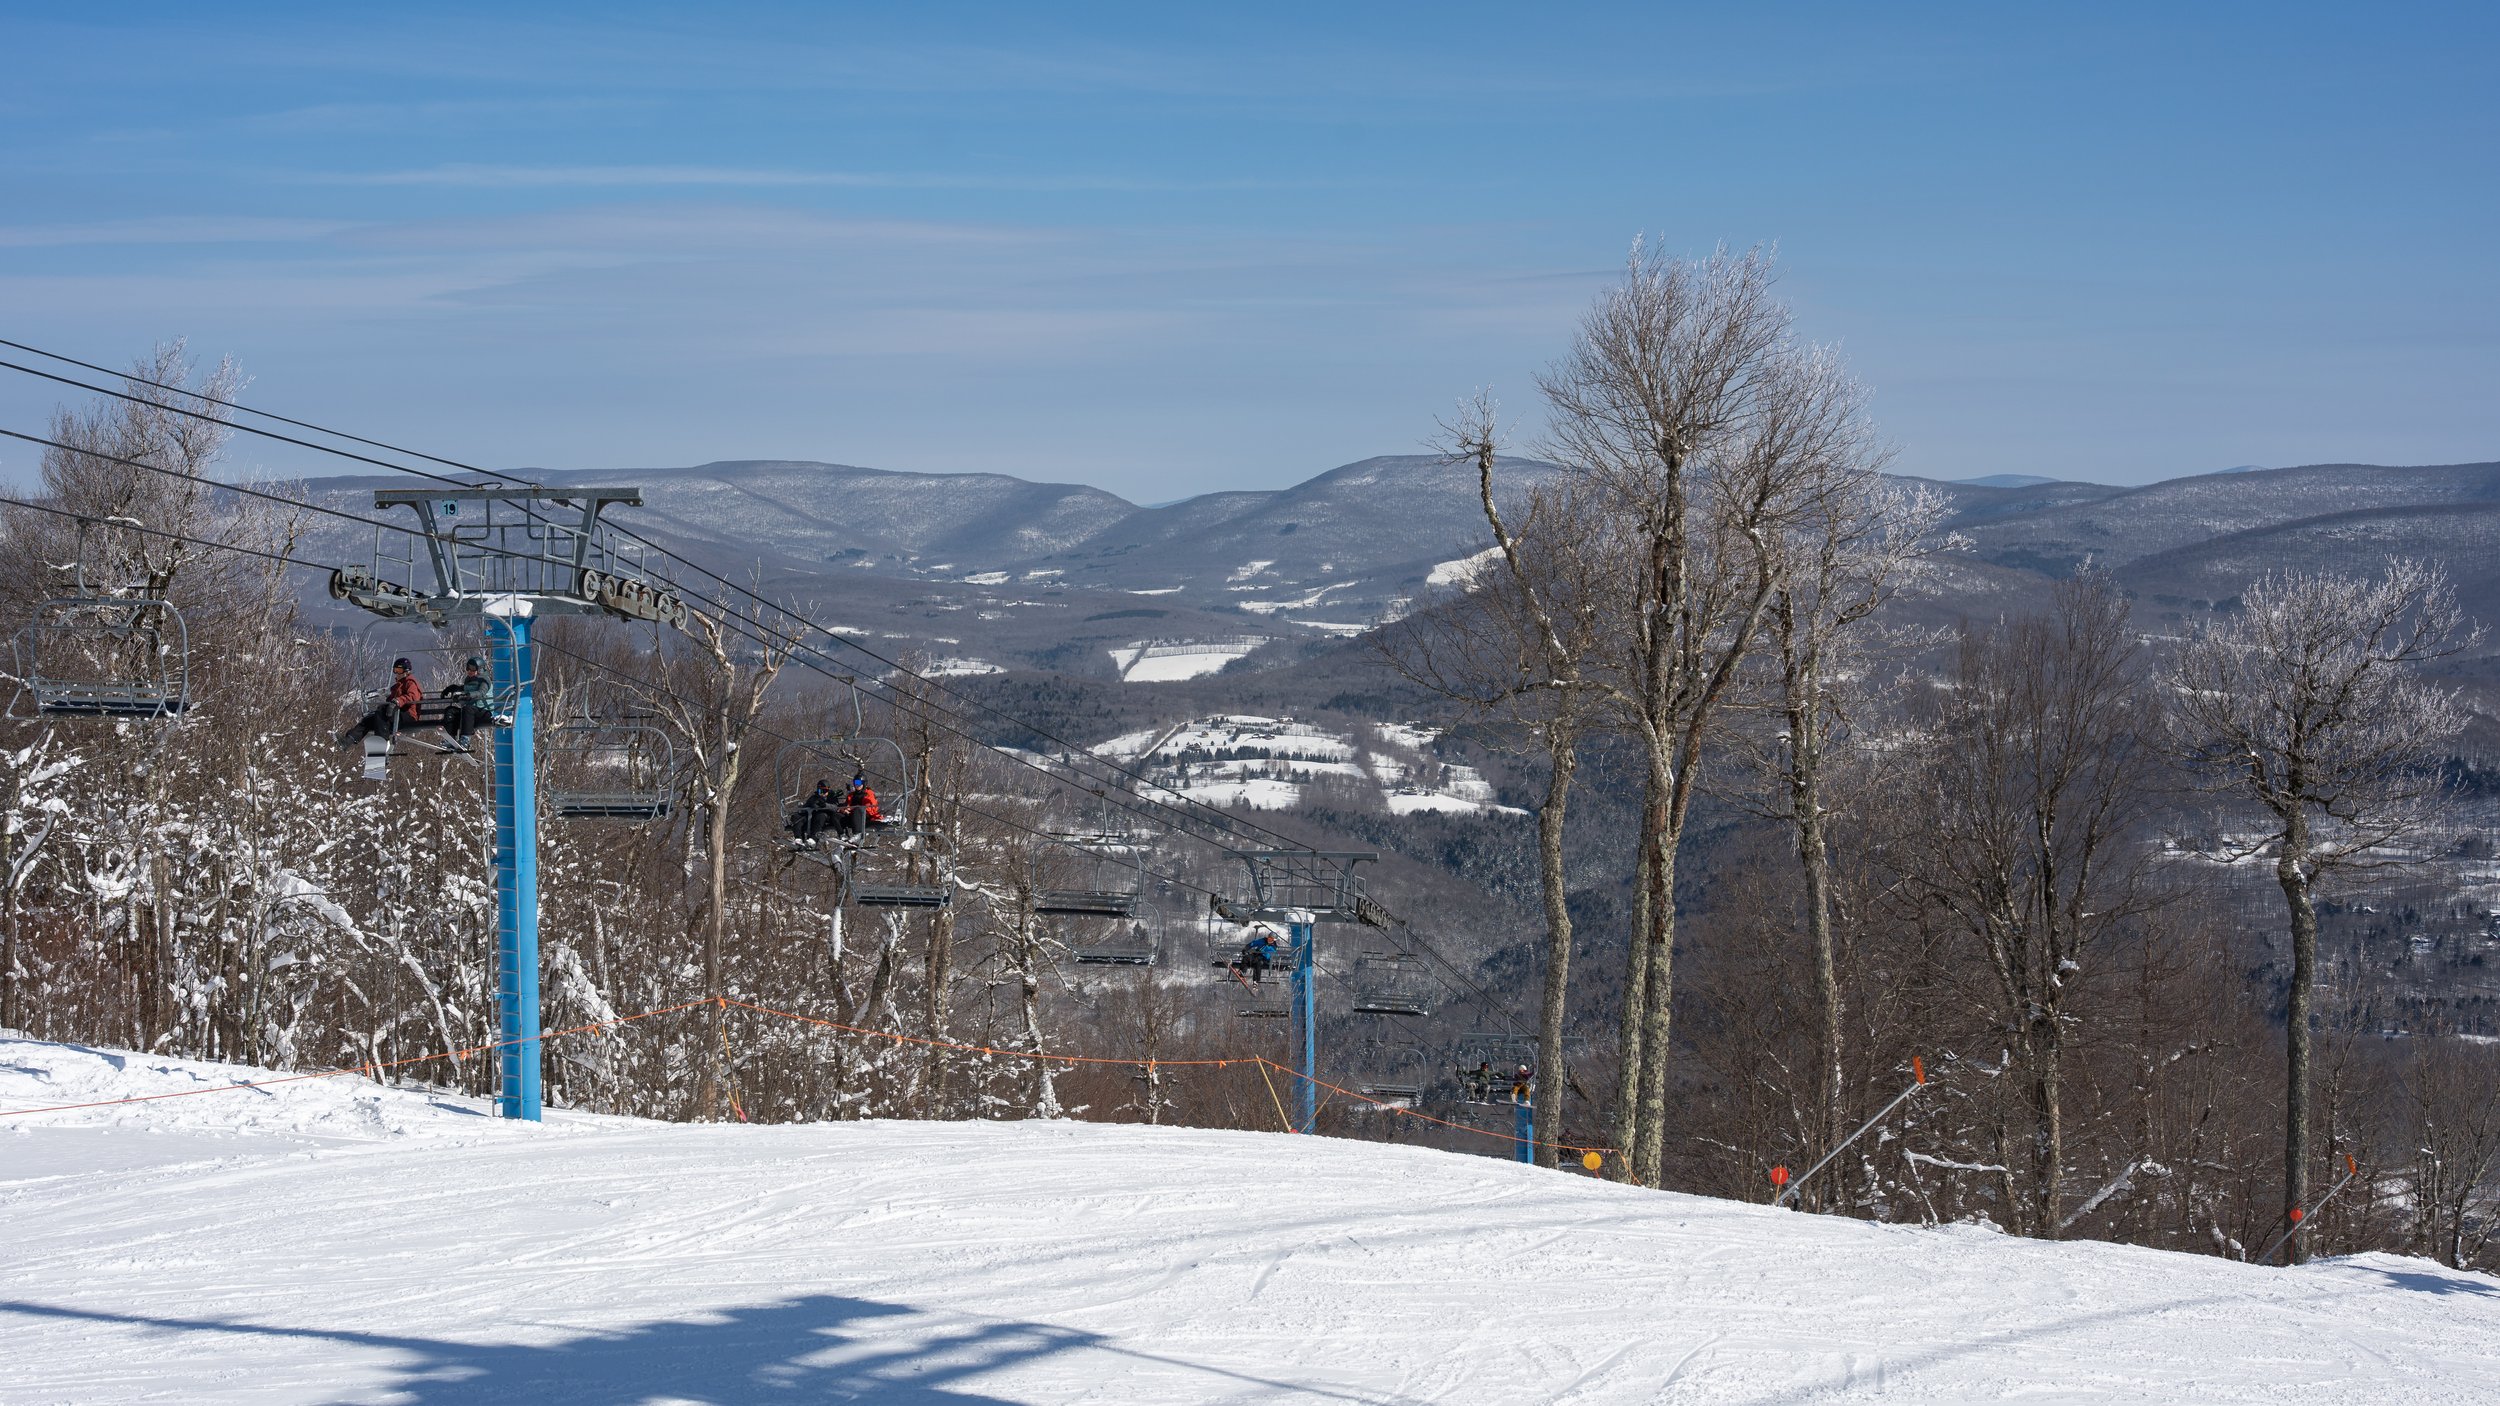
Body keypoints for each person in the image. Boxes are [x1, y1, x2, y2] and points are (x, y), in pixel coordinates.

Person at [339, 658, 427, 748]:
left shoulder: (410, 683)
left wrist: (397, 701)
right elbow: (391, 701)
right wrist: (389, 702)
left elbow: (412, 696)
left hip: (408, 716)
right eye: (395, 670)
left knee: (381, 713)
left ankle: (382, 743)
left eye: (399, 670)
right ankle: (348, 740)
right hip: (396, 714)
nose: (396, 673)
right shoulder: (398, 685)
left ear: (406, 671)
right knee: (368, 720)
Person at [441, 657, 493, 747]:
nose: (469, 671)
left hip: (484, 711)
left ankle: (465, 739)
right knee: (451, 710)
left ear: (479, 669)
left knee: (467, 709)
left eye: (472, 668)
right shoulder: (469, 680)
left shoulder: (485, 680)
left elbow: (481, 692)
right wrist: (452, 688)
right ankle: (450, 738)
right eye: (468, 668)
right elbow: (464, 688)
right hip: (470, 711)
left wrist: (468, 695)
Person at [836, 771, 893, 837]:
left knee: (857, 810)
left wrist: (853, 808)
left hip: (864, 816)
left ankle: (857, 835)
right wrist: (843, 808)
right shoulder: (852, 795)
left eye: (858, 783)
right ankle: (842, 835)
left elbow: (869, 807)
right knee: (836, 815)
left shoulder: (869, 793)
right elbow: (847, 804)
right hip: (851, 816)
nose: (856, 785)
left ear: (863, 783)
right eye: (855, 783)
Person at [788, 778, 842, 845]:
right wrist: (801, 809)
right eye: (820, 791)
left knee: (820, 816)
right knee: (796, 817)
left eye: (824, 791)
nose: (822, 793)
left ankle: (813, 839)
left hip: (824, 817)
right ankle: (799, 839)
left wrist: (825, 805)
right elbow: (805, 807)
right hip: (811, 816)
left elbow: (835, 807)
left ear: (828, 790)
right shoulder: (814, 798)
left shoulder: (831, 797)